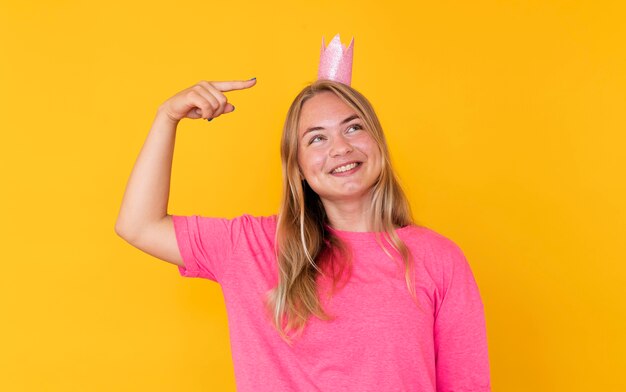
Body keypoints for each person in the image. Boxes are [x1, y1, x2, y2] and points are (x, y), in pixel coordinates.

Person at [115, 77, 491, 391]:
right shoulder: (251, 246)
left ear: (378, 142)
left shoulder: (438, 258)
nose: (340, 148)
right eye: (317, 138)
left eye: (354, 127)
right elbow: (138, 225)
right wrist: (167, 117)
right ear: (297, 166)